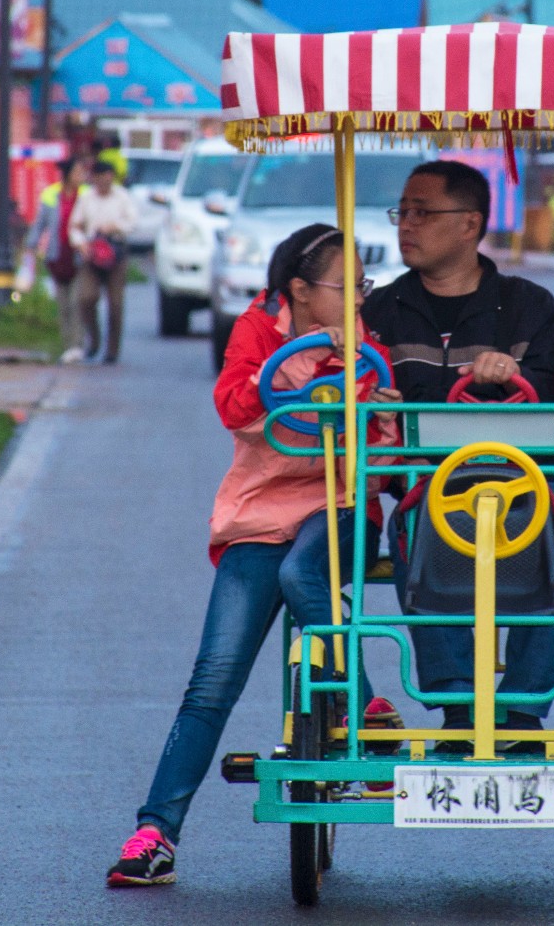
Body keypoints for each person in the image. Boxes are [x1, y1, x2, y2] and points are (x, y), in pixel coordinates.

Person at [108, 225, 404, 887]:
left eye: (364, 285)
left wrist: (382, 413)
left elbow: (383, 455)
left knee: (306, 573)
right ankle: (155, 832)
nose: (359, 298)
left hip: (342, 506)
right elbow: (239, 407)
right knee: (213, 677)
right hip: (261, 513)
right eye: (346, 286)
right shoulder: (257, 331)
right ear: (298, 290)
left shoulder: (369, 349)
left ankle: (363, 704)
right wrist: (307, 360)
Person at [363, 160, 554, 746]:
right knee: (412, 524)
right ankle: (457, 703)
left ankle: (525, 704)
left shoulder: (531, 307)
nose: (406, 225)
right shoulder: (377, 313)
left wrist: (510, 375)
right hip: (427, 483)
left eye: (422, 212)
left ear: (469, 224)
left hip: (523, 482)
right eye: (402, 211)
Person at [67, 158, 135, 364]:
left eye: (108, 179)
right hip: (92, 253)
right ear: (94, 179)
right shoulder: (87, 198)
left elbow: (132, 221)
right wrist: (81, 244)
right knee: (86, 298)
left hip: (116, 253)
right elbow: (75, 226)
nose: (104, 183)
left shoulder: (122, 197)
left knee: (115, 304)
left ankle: (112, 350)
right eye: (100, 179)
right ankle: (94, 340)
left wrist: (113, 226)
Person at [36, 155, 88, 363]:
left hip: (80, 257)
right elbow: (41, 224)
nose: (81, 176)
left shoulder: (86, 194)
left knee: (77, 302)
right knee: (63, 304)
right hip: (57, 256)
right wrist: (31, 247)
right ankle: (68, 345)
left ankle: (78, 344)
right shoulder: (51, 195)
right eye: (77, 172)